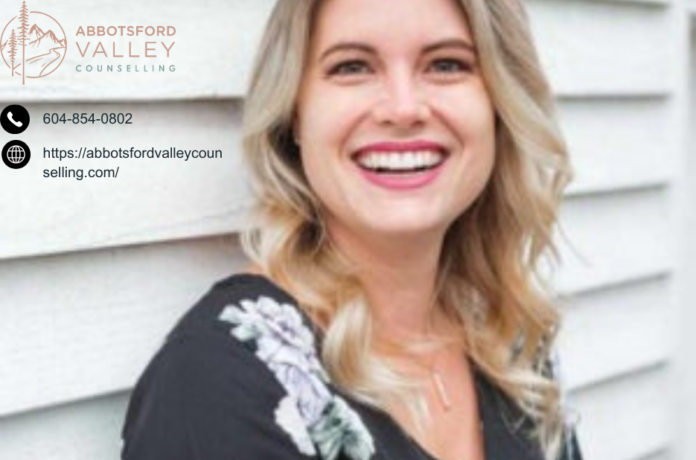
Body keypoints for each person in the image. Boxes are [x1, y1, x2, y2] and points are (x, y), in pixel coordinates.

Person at [120, 0, 583, 459]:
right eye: (352, 67)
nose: (403, 109)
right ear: (295, 112)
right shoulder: (222, 380)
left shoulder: (510, 344)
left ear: (499, 105)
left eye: (446, 64)